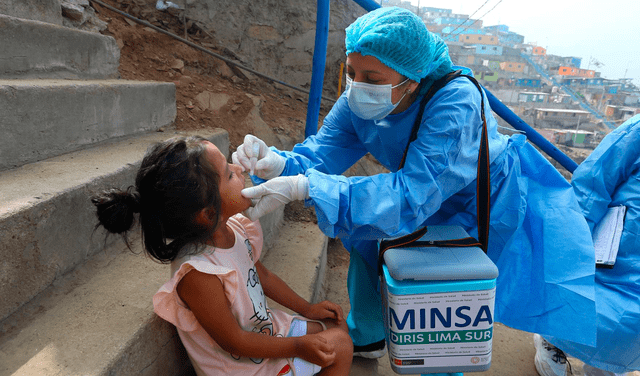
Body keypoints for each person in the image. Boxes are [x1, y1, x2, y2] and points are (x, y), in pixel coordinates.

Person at [234, 6, 597, 358]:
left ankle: (443, 364)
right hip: (419, 188)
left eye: (373, 79)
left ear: (414, 79)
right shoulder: (359, 100)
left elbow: (411, 196)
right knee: (365, 234)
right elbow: (323, 150)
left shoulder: (455, 103)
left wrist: (307, 187)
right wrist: (279, 163)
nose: (358, 87)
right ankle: (368, 333)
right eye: (352, 72)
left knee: (449, 294)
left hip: (478, 199)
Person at [91, 135, 353, 375]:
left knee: (336, 328)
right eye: (229, 175)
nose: (238, 169)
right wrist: (296, 347)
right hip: (242, 366)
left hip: (264, 332)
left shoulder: (235, 228)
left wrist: (307, 309)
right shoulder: (199, 273)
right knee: (339, 345)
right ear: (207, 214)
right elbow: (234, 341)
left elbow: (263, 275)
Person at [533, 114, 640, 376]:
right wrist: (575, 234)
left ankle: (605, 366)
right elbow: (595, 180)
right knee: (587, 298)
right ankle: (550, 337)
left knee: (630, 322)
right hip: (615, 242)